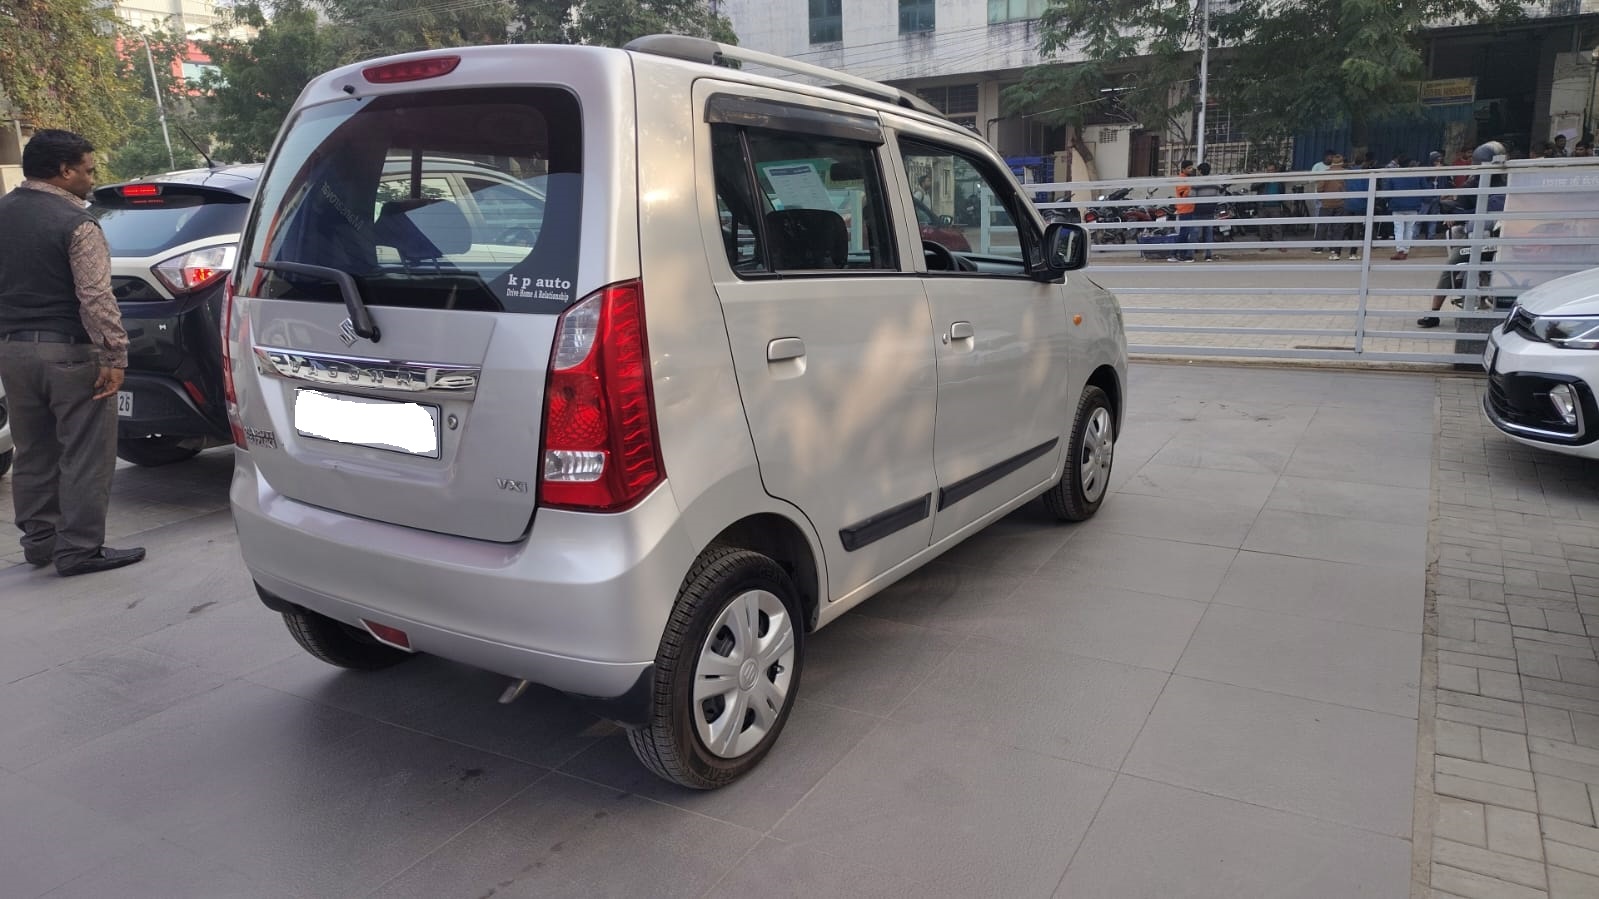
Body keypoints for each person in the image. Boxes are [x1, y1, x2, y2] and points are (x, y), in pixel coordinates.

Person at [0, 130, 144, 576]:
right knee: (85, 452)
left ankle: (41, 541)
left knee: (33, 449)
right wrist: (115, 356)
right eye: (87, 168)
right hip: (68, 352)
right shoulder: (76, 223)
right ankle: (79, 548)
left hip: (12, 351)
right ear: (63, 172)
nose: (90, 177)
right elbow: (97, 297)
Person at [1383, 155, 1425, 260]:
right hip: (1413, 205)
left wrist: (1388, 202)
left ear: (1398, 165)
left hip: (1397, 206)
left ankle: (1400, 250)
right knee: (1409, 229)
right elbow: (1425, 188)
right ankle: (1406, 250)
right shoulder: (1417, 176)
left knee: (1398, 229)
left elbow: (1387, 191)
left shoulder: (1394, 176)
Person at [1316, 154, 1348, 259]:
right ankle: (1335, 248)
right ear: (1342, 162)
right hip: (1340, 203)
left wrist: (1322, 196)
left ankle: (1318, 248)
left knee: (1322, 226)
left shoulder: (1326, 173)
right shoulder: (1346, 173)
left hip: (1326, 202)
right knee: (1338, 227)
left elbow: (1320, 187)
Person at [1191, 161, 1222, 261]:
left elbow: (1192, 196)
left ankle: (1191, 255)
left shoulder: (1196, 183)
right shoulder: (1215, 183)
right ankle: (1208, 255)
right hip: (1210, 210)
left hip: (1198, 210)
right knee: (1208, 233)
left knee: (1194, 232)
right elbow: (1218, 197)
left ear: (1200, 171)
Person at [1167, 159, 1197, 262]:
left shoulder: (1187, 179)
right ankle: (1179, 254)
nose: (1191, 169)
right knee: (1184, 233)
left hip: (1188, 208)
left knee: (1185, 232)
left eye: (1191, 167)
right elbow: (1183, 193)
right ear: (1183, 169)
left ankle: (1175, 254)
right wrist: (1191, 190)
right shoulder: (1181, 179)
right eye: (1189, 168)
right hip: (1185, 209)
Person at [1254, 162, 1289, 251]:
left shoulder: (1279, 181)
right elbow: (1253, 187)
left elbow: (1282, 191)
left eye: (1272, 170)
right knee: (1263, 227)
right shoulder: (1262, 179)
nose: (1270, 172)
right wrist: (1264, 180)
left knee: (1277, 226)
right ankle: (1264, 245)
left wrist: (1281, 202)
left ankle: (1279, 244)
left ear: (1276, 170)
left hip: (1275, 206)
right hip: (1263, 206)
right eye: (1269, 170)